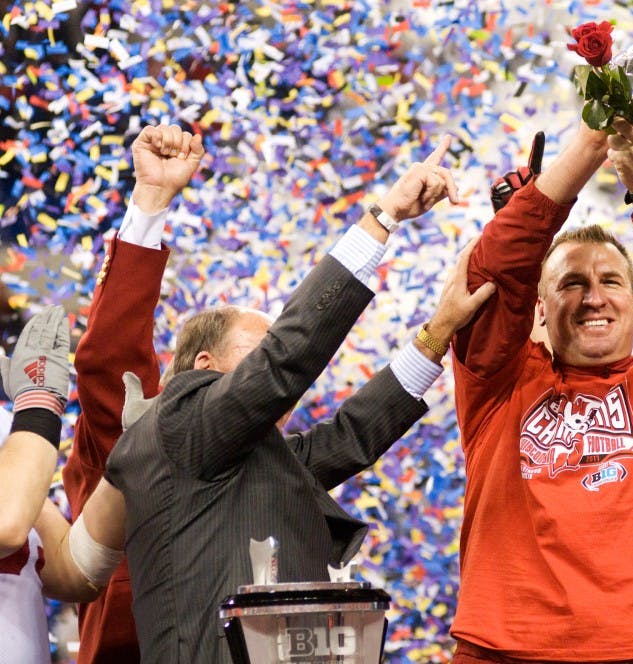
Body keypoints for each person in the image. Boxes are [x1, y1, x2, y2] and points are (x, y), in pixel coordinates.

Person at [93, 125, 494, 664]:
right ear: (204, 366)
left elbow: (353, 434)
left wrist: (439, 330)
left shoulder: (249, 460)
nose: (272, 358)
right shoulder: (184, 425)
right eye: (256, 350)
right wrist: (384, 217)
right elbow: (288, 356)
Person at [443, 100, 633, 661]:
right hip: (507, 651)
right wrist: (585, 147)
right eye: (571, 284)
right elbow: (490, 279)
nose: (593, 298)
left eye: (610, 280)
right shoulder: (498, 388)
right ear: (538, 310)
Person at [60, 122, 198, 664]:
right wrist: (151, 203)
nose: (271, 374)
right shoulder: (140, 433)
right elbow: (109, 355)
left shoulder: (265, 460)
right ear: (206, 365)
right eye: (257, 356)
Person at [0, 304, 74, 663]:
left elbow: (72, 574)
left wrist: (134, 451)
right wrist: (39, 405)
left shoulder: (5, 428)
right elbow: (6, 527)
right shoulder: (22, 425)